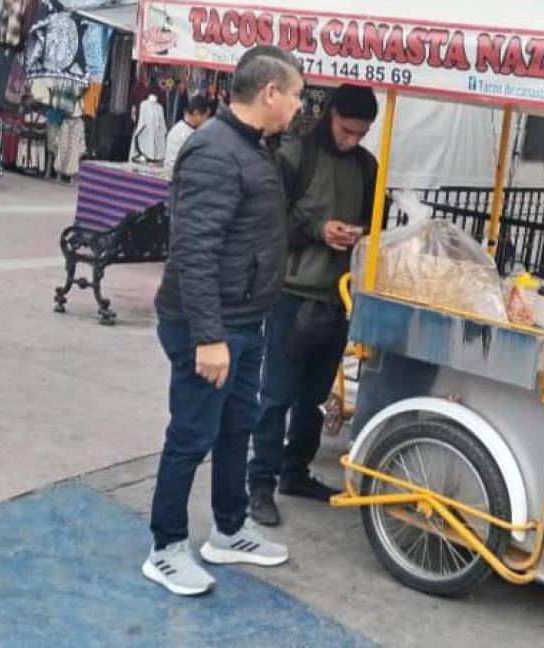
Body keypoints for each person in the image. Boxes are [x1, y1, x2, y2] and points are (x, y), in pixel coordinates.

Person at [143, 45, 304, 597]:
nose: (300, 108)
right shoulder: (214, 151)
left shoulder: (255, 147)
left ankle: (229, 530)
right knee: (191, 434)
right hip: (205, 325)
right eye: (298, 96)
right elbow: (194, 250)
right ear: (271, 94)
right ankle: (165, 548)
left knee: (238, 426)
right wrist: (209, 337)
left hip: (244, 320)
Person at [248, 84, 379, 526]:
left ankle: (295, 471)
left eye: (361, 134)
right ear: (330, 115)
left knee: (315, 399)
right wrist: (319, 230)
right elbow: (269, 221)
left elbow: (376, 223)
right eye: (346, 130)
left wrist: (360, 234)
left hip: (338, 297)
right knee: (276, 396)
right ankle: (260, 484)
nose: (352, 140)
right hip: (291, 294)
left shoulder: (367, 166)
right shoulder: (294, 156)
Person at [163, 95, 213, 175]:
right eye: (206, 116)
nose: (207, 120)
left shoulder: (182, 128)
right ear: (196, 113)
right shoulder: (182, 133)